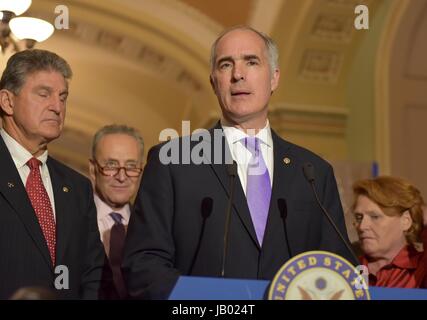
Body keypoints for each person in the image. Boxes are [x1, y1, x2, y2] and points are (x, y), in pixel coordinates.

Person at [123, 26, 353, 299]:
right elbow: (143, 265)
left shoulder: (313, 172)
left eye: (252, 62)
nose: (238, 75)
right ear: (213, 81)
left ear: (274, 78)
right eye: (226, 64)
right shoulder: (172, 162)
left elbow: (337, 268)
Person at [0, 49, 111, 299]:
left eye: (63, 97)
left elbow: (93, 273)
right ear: (7, 101)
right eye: (43, 94)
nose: (57, 106)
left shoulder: (78, 187)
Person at [89, 124, 144, 298]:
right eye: (111, 165)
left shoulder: (153, 227)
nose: (122, 177)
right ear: (93, 169)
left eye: (131, 166)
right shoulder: (72, 218)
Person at [353, 176, 427, 288]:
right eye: (359, 217)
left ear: (405, 221)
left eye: (375, 217)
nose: (362, 227)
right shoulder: (346, 269)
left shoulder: (422, 269)